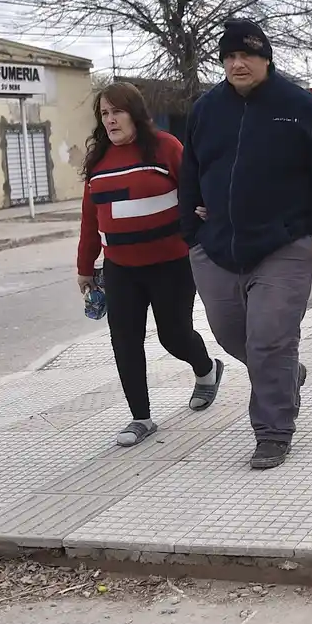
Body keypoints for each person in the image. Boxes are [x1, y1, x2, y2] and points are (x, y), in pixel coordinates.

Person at [181, 18, 312, 470]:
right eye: (230, 56)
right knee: (232, 335)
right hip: (215, 247)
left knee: (270, 339)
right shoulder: (206, 109)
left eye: (248, 55)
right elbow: (190, 173)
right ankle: (287, 375)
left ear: (266, 58)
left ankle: (273, 431)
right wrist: (191, 233)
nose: (238, 63)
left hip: (284, 245)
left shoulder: (299, 106)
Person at [76, 82, 224, 448]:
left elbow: (197, 188)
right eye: (104, 113)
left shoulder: (165, 147)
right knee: (124, 341)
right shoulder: (98, 160)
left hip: (171, 263)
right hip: (120, 268)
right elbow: (89, 219)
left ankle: (206, 370)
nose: (110, 120)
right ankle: (140, 417)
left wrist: (207, 214)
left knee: (174, 336)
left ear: (135, 113)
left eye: (117, 112)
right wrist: (84, 266)